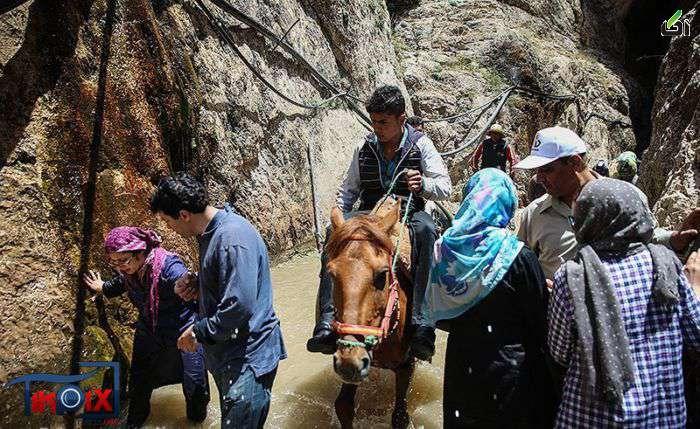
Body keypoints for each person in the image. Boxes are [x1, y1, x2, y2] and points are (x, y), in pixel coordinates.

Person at [306, 85, 452, 360]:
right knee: (332, 233)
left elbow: (445, 187)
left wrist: (423, 184)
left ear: (401, 119)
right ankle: (326, 321)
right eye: (373, 121)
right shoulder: (363, 146)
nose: (377, 128)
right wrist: (341, 218)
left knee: (427, 230)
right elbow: (348, 190)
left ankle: (423, 325)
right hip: (367, 212)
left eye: (383, 122)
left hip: (409, 211)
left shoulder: (421, 144)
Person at [547, 178, 700, 427]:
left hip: (589, 418)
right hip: (661, 417)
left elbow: (559, 352)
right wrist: (696, 288)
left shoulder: (573, 275)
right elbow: (695, 334)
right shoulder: (666, 263)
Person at [149, 173, 286, 429]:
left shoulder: (230, 238)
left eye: (168, 221)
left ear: (184, 215)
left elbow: (239, 306)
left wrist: (197, 332)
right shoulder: (211, 233)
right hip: (230, 354)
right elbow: (232, 282)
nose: (169, 228)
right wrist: (198, 284)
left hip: (248, 358)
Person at [425, 168, 555, 428]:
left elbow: (438, 314)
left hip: (461, 370)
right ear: (505, 204)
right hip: (511, 372)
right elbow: (540, 321)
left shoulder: (443, 249)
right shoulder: (516, 254)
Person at [514, 126, 697, 280]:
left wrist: (675, 239)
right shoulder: (534, 214)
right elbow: (521, 265)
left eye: (547, 170)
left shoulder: (628, 196)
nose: (538, 178)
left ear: (575, 163)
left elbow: (646, 237)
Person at [83, 227, 209, 427]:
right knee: (138, 383)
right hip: (150, 329)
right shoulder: (131, 271)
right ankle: (134, 423)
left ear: (141, 253)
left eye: (123, 261)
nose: (119, 267)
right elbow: (122, 282)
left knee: (195, 387)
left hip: (184, 329)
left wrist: (188, 286)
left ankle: (196, 423)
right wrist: (103, 287)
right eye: (113, 262)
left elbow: (192, 288)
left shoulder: (169, 268)